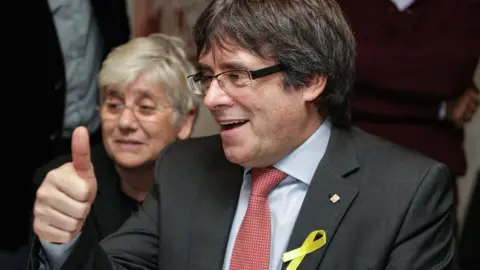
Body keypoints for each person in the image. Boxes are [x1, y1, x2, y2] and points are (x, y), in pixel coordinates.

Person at [28, 0, 456, 269]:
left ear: (310, 80)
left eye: (235, 75)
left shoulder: (407, 193)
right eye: (209, 76)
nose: (212, 98)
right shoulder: (184, 167)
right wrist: (63, 240)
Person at [24, 33, 198, 268]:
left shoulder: (209, 188)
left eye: (145, 107)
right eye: (114, 105)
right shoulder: (66, 187)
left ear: (185, 122)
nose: (125, 122)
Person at [335, 0, 480, 201]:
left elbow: (448, 78)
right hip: (342, 157)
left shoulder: (464, 5)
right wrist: (436, 110)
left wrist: (357, 77)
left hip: (427, 170)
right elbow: (326, 63)